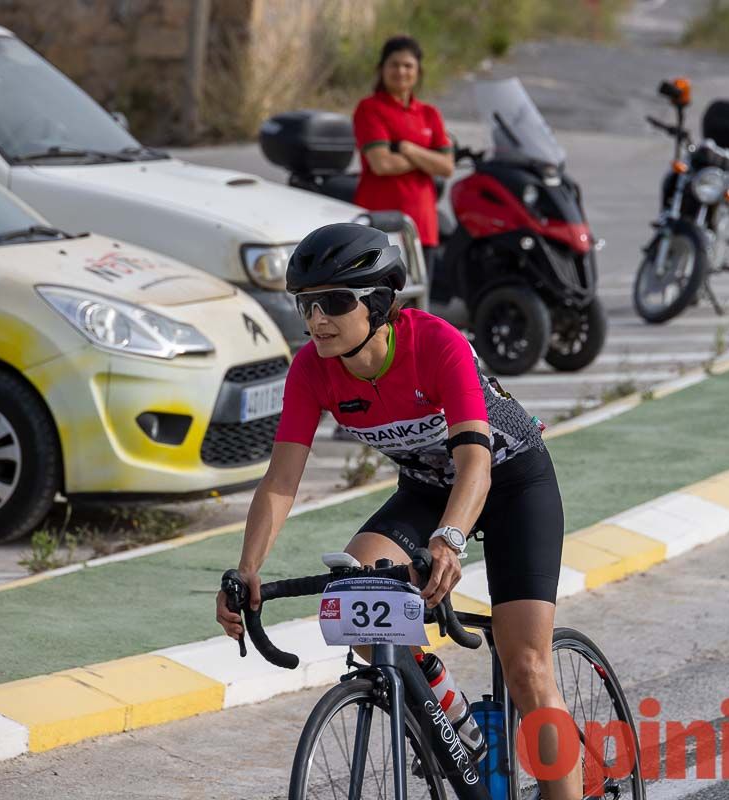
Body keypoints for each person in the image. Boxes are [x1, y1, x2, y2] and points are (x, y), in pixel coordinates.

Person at [215, 223, 583, 800]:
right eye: (307, 305)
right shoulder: (313, 369)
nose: (317, 320)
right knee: (357, 605)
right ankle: (447, 708)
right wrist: (246, 569)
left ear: (380, 303)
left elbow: (476, 468)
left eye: (335, 303)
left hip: (510, 483)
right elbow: (281, 480)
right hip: (426, 490)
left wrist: (452, 539)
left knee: (528, 667)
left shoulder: (438, 344)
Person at [352, 35, 455, 297]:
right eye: (394, 64)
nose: (401, 71)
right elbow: (382, 163)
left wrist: (408, 148)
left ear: (418, 71)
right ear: (382, 69)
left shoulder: (429, 114)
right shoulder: (369, 109)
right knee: (380, 304)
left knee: (417, 307)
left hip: (423, 226)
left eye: (408, 65)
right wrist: (426, 158)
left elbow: (446, 167)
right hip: (382, 224)